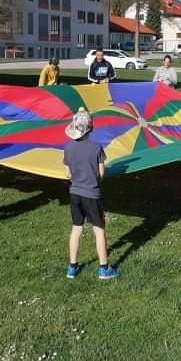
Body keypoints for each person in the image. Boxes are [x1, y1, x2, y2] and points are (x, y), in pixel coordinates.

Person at [63, 109, 119, 280]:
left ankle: (72, 267)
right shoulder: (96, 148)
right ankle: (104, 268)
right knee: (99, 230)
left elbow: (68, 174)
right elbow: (101, 173)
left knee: (76, 228)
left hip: (75, 194)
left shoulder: (68, 148)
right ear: (91, 129)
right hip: (92, 194)